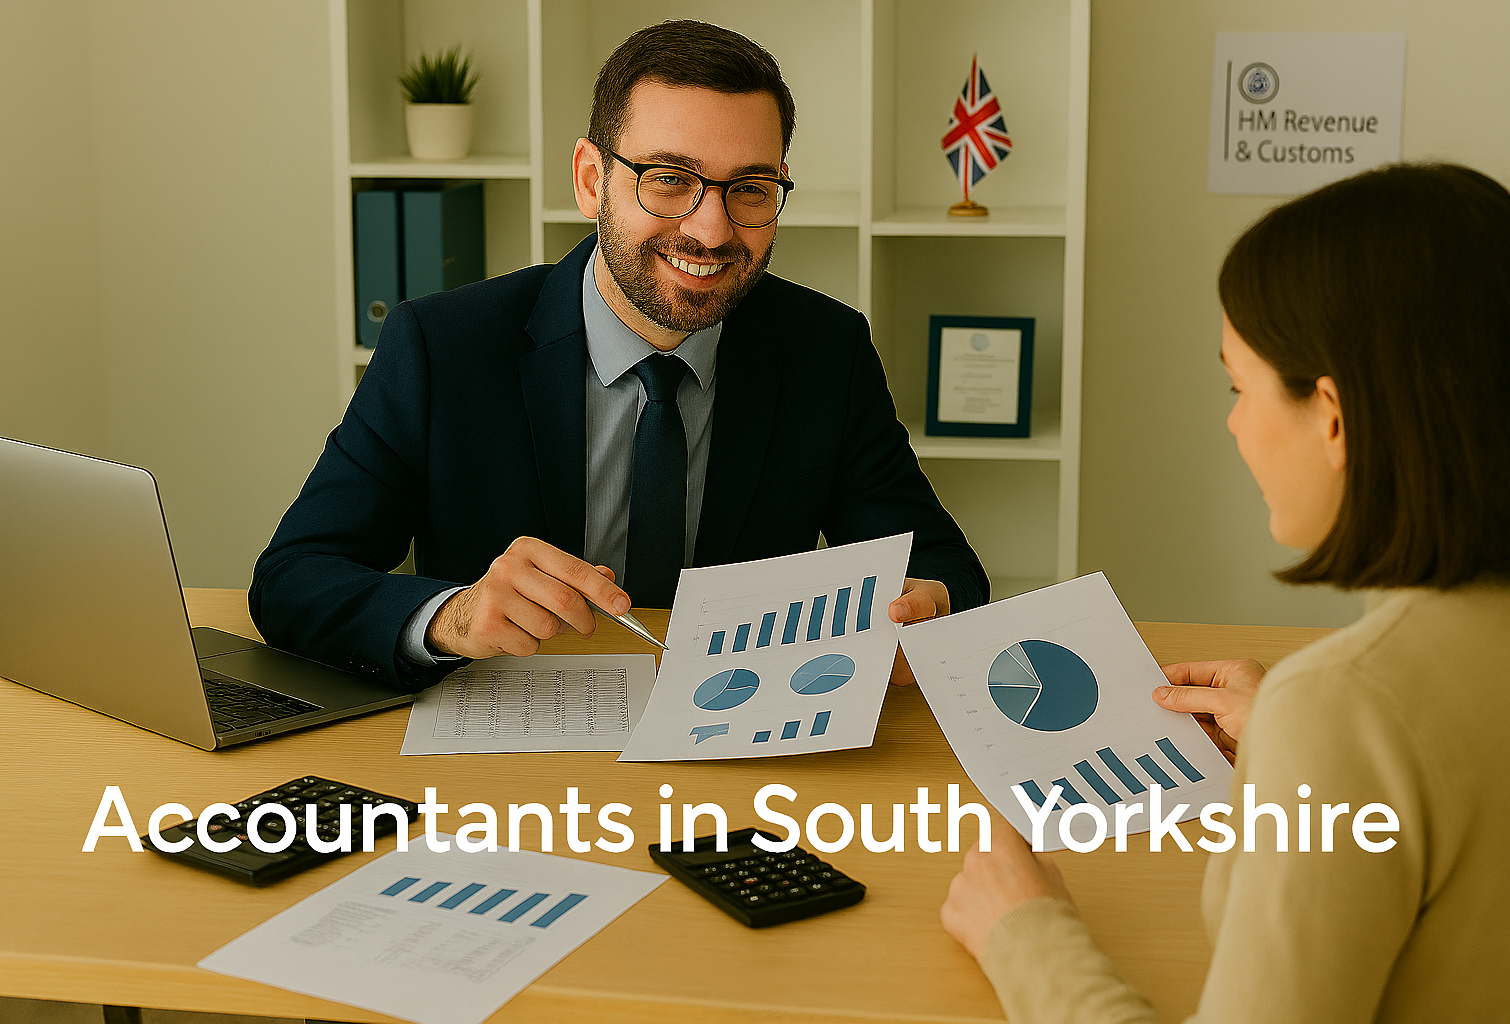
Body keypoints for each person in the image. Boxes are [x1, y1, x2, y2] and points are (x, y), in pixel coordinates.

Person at [250, 21, 987, 691]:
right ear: (591, 180)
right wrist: (455, 614)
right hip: (503, 741)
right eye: (670, 180)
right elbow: (292, 578)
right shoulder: (441, 347)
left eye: (751, 189)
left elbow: (946, 566)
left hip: (742, 737)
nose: (710, 229)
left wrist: (929, 605)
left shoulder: (828, 349)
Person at [940, 162, 1510, 1022]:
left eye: (1240, 387)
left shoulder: (1348, 708)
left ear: (1333, 416)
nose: (1234, 422)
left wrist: (1025, 932)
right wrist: (1295, 738)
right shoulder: (1358, 704)